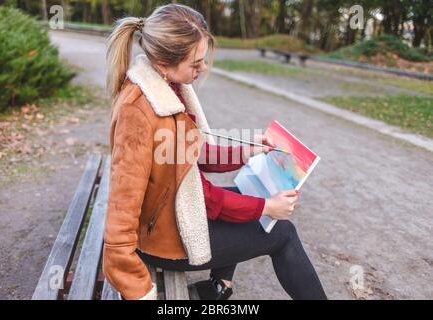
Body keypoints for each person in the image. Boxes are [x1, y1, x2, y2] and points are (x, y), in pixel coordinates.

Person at [103, 3, 327, 300]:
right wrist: (265, 208)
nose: (203, 69)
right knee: (283, 234)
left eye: (203, 60)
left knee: (244, 194)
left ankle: (216, 288)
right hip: (163, 241)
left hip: (171, 216)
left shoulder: (165, 87)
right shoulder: (139, 112)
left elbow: (193, 158)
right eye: (195, 64)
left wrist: (246, 152)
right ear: (162, 62)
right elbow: (127, 210)